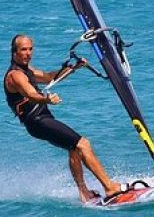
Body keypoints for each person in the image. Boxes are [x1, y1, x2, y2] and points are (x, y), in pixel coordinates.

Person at [4, 34, 122, 202]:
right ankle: (110, 188)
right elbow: (30, 94)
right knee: (83, 144)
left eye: (30, 49)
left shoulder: (27, 71)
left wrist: (73, 68)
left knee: (73, 148)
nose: (28, 53)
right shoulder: (15, 76)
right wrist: (46, 99)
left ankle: (84, 193)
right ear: (14, 52)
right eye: (24, 49)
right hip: (38, 121)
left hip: (41, 120)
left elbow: (50, 77)